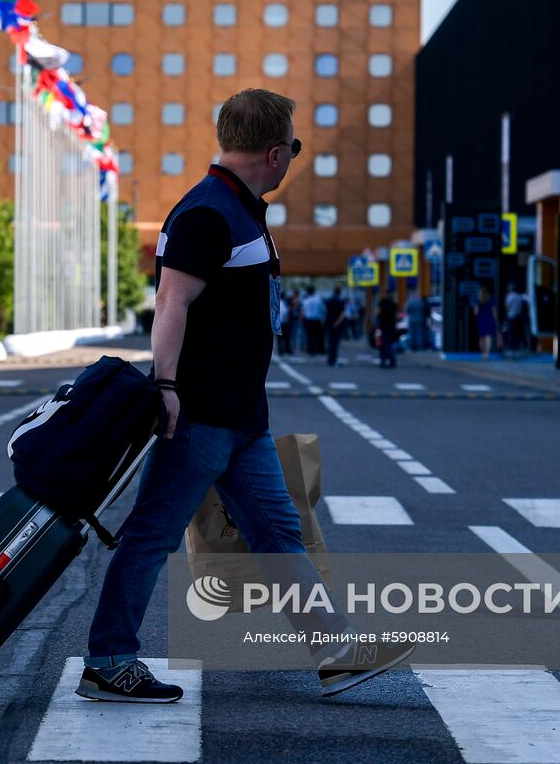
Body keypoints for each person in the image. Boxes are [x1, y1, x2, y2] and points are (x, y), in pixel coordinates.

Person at [76, 88, 413, 704]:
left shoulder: (240, 207)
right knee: (152, 534)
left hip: (240, 418)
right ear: (275, 151)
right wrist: (169, 387)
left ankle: (335, 652)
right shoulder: (209, 212)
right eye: (295, 148)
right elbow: (171, 302)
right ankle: (108, 659)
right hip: (200, 414)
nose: (293, 159)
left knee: (278, 531)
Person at [472, 285, 498, 360]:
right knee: (488, 338)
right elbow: (494, 312)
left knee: (481, 338)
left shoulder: (478, 300)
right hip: (489, 320)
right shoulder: (491, 300)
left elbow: (476, 312)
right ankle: (487, 354)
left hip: (481, 320)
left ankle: (482, 354)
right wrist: (496, 321)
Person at [324, 287, 347, 366]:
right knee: (335, 342)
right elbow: (342, 315)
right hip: (337, 325)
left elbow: (325, 311)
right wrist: (337, 323)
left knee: (330, 342)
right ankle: (334, 359)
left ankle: (329, 359)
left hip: (329, 323)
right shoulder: (341, 302)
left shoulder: (328, 301)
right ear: (340, 293)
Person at [503, 282, 529, 353]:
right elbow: (526, 301)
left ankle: (512, 347)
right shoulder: (519, 296)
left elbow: (507, 307)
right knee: (517, 333)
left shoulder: (510, 296)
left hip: (511, 317)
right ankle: (517, 346)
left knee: (511, 333)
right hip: (519, 317)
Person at [376, 289, 398, 368]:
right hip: (391, 326)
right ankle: (392, 361)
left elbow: (378, 312)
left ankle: (384, 360)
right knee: (389, 344)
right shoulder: (393, 303)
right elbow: (396, 314)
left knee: (382, 344)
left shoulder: (382, 302)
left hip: (383, 326)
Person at [301, 285, 325, 355]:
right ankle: (320, 349)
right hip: (317, 320)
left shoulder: (306, 300)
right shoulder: (318, 299)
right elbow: (322, 310)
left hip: (308, 320)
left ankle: (311, 350)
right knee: (319, 335)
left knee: (309, 336)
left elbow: (303, 311)